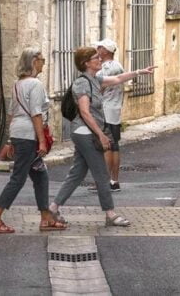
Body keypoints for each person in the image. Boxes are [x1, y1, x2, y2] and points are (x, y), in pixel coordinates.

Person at [49, 46, 154, 227]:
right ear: (86, 63)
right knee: (102, 174)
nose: (100, 60)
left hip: (85, 132)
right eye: (96, 58)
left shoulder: (95, 80)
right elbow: (84, 111)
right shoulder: (83, 83)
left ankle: (52, 208)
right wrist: (101, 135)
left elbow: (118, 78)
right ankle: (110, 214)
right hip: (85, 133)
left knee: (77, 173)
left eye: (99, 57)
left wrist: (139, 72)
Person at [0, 48, 66, 233]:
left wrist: (10, 140)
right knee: (18, 179)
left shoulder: (17, 84)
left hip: (19, 134)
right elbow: (35, 113)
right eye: (42, 59)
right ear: (33, 61)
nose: (44, 62)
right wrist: (42, 141)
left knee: (41, 175)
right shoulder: (35, 84)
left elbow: (13, 113)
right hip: (29, 136)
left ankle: (45, 217)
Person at [95, 38, 127, 191]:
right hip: (115, 110)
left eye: (100, 47)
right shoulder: (118, 66)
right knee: (114, 147)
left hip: (105, 110)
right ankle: (114, 181)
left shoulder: (105, 69)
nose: (97, 48)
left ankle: (105, 181)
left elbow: (98, 88)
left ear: (106, 51)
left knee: (106, 147)